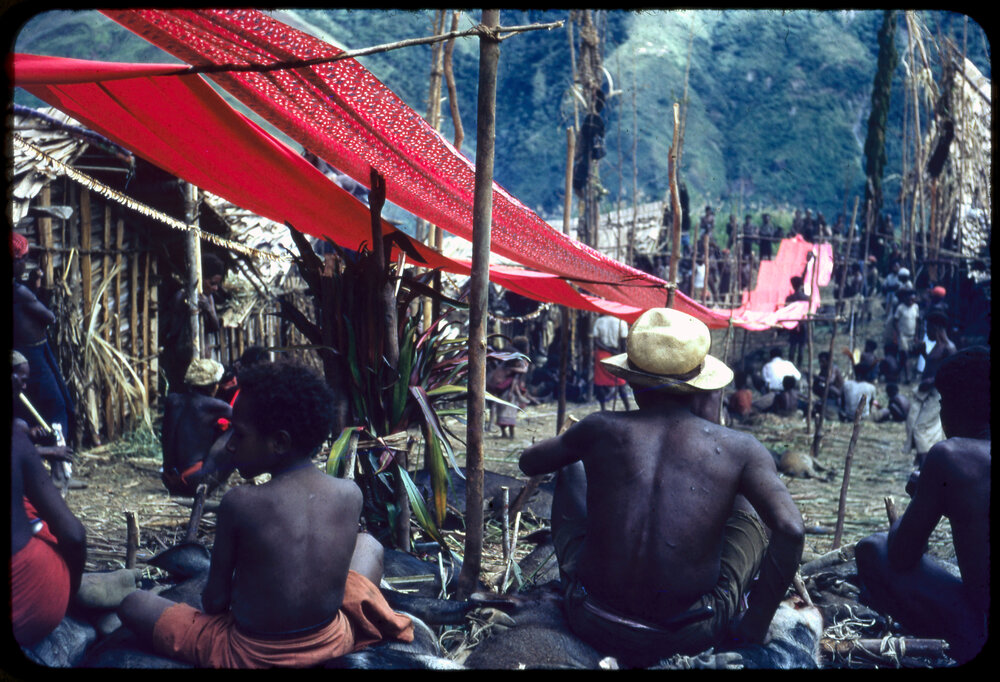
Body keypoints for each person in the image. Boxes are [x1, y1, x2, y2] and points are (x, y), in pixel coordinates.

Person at [518, 308, 804, 667]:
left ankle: (580, 576)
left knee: (571, 465)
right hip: (688, 633)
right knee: (749, 495)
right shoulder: (740, 448)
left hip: (592, 618)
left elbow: (530, 462)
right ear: (701, 386)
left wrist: (582, 442)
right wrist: (755, 625)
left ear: (632, 381)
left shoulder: (599, 427)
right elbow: (791, 529)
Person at [117, 360, 414, 668]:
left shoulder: (239, 503)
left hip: (249, 654)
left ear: (280, 442)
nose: (229, 446)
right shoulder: (349, 493)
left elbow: (215, 603)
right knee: (369, 546)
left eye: (240, 435)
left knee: (134, 603)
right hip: (333, 640)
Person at [855, 348, 989, 665]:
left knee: (872, 549)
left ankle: (960, 646)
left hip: (980, 621)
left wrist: (921, 495)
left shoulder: (950, 456)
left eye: (942, 404)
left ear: (957, 406)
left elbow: (901, 556)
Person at [10, 363, 87, 648]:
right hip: (28, 596)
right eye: (19, 377)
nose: (23, 386)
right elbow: (74, 535)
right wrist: (73, 588)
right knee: (39, 521)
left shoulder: (20, 433)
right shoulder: (16, 437)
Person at [12, 231, 76, 451]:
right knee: (56, 405)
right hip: (33, 355)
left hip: (26, 352)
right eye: (24, 259)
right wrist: (34, 294)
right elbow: (49, 317)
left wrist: (34, 288)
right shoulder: (19, 292)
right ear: (16, 260)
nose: (26, 263)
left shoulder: (20, 289)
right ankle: (60, 466)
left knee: (31, 407)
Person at [160, 358, 236, 497]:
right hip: (193, 481)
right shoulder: (214, 406)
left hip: (168, 480)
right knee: (236, 431)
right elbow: (242, 419)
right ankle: (215, 489)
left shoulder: (172, 400)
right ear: (214, 386)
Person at [161, 252, 228, 391]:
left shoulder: (208, 298)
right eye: (212, 283)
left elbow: (215, 326)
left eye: (217, 284)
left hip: (202, 357)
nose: (215, 288)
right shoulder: (181, 296)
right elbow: (173, 330)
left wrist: (208, 309)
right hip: (182, 359)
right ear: (201, 278)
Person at [487, 336, 535, 438]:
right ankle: (507, 433)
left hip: (501, 387)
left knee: (500, 408)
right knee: (507, 410)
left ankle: (504, 432)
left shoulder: (511, 357)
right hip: (506, 389)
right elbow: (516, 376)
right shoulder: (517, 359)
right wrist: (514, 391)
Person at [591, 314, 631, 412]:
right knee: (621, 384)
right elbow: (623, 343)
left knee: (601, 383)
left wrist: (608, 349)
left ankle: (603, 408)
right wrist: (617, 353)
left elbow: (596, 341)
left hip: (602, 355)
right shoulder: (621, 322)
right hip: (616, 355)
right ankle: (628, 408)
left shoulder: (599, 321)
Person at [891, 288, 920, 384]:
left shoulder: (915, 307)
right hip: (903, 335)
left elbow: (917, 321)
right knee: (905, 355)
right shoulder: (901, 308)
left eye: (913, 299)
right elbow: (895, 321)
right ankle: (908, 378)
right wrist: (898, 333)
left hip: (911, 335)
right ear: (905, 299)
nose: (911, 301)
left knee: (904, 358)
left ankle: (896, 374)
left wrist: (916, 335)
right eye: (909, 299)